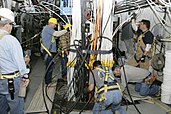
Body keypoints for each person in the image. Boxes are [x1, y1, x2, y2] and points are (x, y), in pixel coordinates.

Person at [0, 8, 30, 114]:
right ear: (8, 25)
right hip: (11, 82)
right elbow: (19, 63)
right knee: (16, 108)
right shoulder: (11, 40)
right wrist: (25, 76)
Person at [41, 17, 70, 84]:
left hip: (50, 52)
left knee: (50, 66)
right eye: (55, 24)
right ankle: (48, 82)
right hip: (48, 52)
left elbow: (55, 36)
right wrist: (66, 30)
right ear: (51, 23)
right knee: (49, 67)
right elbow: (56, 34)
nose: (55, 26)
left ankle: (48, 80)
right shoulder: (48, 28)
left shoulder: (49, 29)